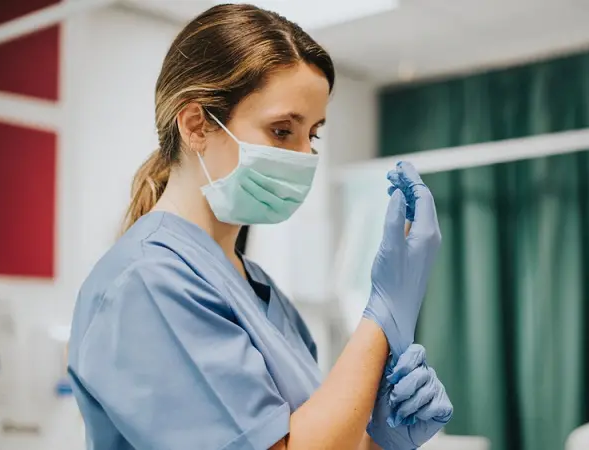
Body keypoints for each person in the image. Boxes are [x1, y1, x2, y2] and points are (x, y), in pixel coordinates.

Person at [66, 4, 452, 450]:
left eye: (314, 134)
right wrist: (383, 313)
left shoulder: (266, 297)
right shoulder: (147, 283)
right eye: (283, 130)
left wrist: (379, 440)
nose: (306, 154)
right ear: (195, 126)